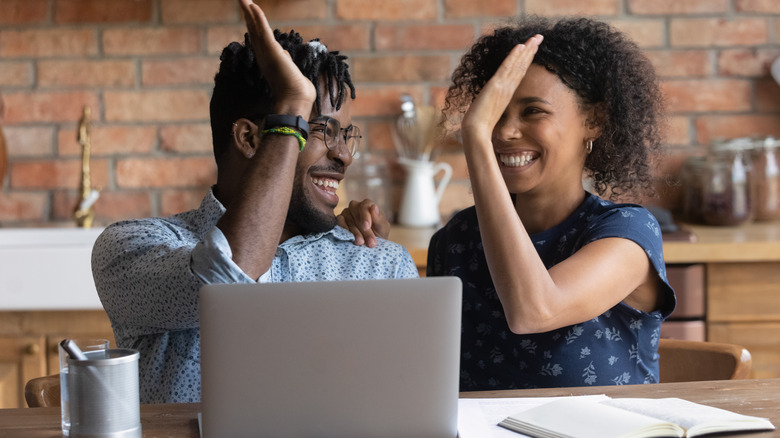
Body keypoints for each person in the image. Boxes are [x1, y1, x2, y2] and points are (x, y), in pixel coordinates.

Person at [92, 0, 417, 404]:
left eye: (345, 135)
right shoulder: (131, 249)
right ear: (249, 139)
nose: (344, 156)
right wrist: (292, 105)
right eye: (321, 130)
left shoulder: (381, 263)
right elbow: (228, 277)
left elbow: (407, 403)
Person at [346, 16, 676, 390]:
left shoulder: (627, 235)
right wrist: (376, 253)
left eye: (533, 111)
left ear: (594, 120)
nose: (504, 131)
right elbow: (417, 368)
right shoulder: (458, 239)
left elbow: (534, 311)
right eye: (496, 114)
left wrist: (475, 135)